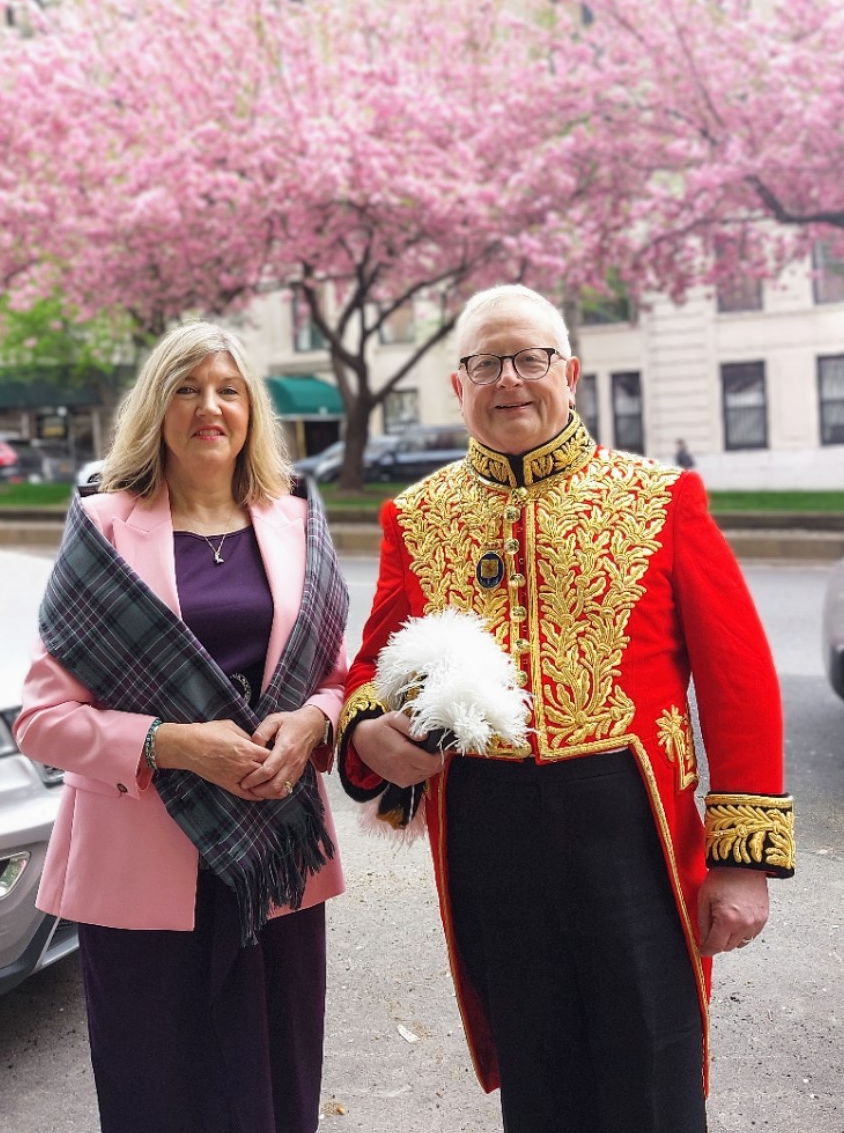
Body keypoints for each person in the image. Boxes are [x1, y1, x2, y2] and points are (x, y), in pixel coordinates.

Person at [337, 285, 794, 1133]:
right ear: (457, 385)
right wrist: (367, 729)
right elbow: (374, 660)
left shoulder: (662, 498)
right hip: (487, 834)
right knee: (538, 1075)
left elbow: (741, 682)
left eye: (531, 358)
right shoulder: (419, 515)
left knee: (653, 1072)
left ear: (570, 374)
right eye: (486, 363)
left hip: (632, 829)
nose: (510, 379)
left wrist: (743, 860)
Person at [15, 320, 349, 1133]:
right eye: (188, 388)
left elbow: (342, 678)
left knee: (275, 1088)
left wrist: (312, 722)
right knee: (156, 1095)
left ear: (251, 411)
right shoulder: (103, 528)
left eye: (229, 390)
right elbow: (42, 719)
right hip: (140, 868)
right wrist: (172, 744)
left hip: (275, 860)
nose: (211, 406)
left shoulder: (297, 521)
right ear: (157, 407)